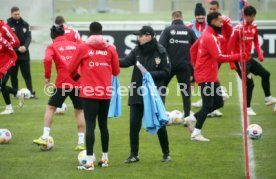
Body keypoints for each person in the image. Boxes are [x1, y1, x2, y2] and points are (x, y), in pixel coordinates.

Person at [185, 12, 248, 142]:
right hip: (205, 76)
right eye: (220, 22)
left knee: (219, 102)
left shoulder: (209, 35)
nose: (222, 24)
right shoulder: (209, 37)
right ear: (213, 22)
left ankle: (191, 118)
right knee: (207, 105)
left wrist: (195, 64)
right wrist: (239, 56)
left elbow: (192, 50)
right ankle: (196, 134)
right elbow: (219, 57)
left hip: (211, 75)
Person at [68, 22, 120, 170]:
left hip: (89, 92)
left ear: (90, 32)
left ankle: (89, 162)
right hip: (105, 92)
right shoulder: (110, 48)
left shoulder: (83, 47)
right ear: (102, 32)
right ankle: (105, 159)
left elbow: (70, 69)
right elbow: (116, 71)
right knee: (103, 125)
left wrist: (78, 78)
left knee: (90, 125)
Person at [120, 25, 171, 163]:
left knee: (159, 122)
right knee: (133, 124)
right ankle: (134, 154)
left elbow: (166, 72)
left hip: (154, 93)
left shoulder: (161, 51)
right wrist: (111, 60)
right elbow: (125, 62)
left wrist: (150, 74)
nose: (138, 38)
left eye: (140, 35)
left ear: (148, 36)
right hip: (137, 91)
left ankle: (166, 153)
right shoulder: (137, 50)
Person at [33, 25, 85, 151]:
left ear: (52, 37)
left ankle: (45, 136)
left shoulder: (52, 46)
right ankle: (81, 143)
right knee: (79, 111)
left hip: (63, 83)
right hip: (78, 82)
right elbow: (84, 60)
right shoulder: (76, 45)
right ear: (64, 33)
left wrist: (47, 77)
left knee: (51, 108)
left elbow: (47, 59)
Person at [228, 5, 276, 115]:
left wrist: (260, 54)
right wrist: (231, 63)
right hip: (239, 60)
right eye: (251, 16)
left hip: (249, 59)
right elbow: (229, 47)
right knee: (250, 83)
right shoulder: (238, 29)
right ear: (245, 16)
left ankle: (268, 97)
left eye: (254, 16)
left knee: (266, 74)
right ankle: (247, 108)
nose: (253, 18)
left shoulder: (254, 27)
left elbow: (256, 42)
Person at [192, 0, 233, 117]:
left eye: (214, 9)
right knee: (211, 77)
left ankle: (212, 102)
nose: (212, 11)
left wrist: (230, 53)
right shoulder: (208, 25)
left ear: (218, 8)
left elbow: (230, 35)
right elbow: (194, 47)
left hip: (219, 53)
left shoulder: (223, 21)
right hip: (210, 54)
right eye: (210, 9)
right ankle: (213, 101)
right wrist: (194, 62)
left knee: (211, 77)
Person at [159, 10, 197, 118]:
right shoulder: (189, 31)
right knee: (185, 92)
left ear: (172, 18)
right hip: (184, 66)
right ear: (182, 17)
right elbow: (197, 46)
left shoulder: (167, 30)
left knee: (162, 89)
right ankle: (187, 117)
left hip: (168, 66)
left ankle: (161, 116)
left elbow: (160, 47)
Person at [7, 6, 37, 99]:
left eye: (18, 14)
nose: (17, 15)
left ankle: (31, 93)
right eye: (15, 14)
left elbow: (29, 37)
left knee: (27, 74)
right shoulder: (7, 26)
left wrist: (25, 46)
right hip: (13, 55)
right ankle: (16, 93)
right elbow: (6, 40)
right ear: (11, 14)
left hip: (24, 54)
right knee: (13, 75)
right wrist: (17, 48)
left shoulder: (25, 24)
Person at [0, 37, 18, 115]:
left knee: (2, 85)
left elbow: (14, 56)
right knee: (2, 86)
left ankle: (9, 107)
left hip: (5, 66)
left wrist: (4, 69)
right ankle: (18, 93)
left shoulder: (3, 42)